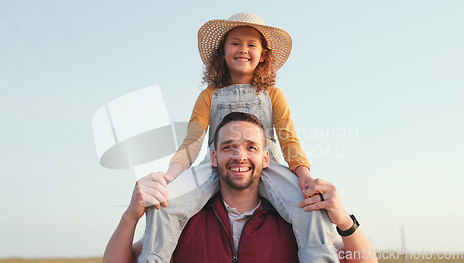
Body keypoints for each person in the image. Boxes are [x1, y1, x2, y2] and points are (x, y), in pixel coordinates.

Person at [140, 12, 337, 262]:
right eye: (235, 43)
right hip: (216, 165)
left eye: (251, 44)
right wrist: (171, 175)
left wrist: (304, 175)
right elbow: (192, 142)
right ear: (223, 52)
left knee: (309, 207)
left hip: (267, 165)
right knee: (164, 203)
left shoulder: (273, 95)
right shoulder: (209, 95)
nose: (242, 49)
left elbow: (289, 139)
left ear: (263, 54)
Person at [103, 112, 378, 263]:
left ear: (266, 158)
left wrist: (344, 221)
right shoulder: (183, 219)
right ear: (214, 157)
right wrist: (130, 216)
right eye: (228, 147)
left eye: (251, 147)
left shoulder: (294, 220)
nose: (239, 156)